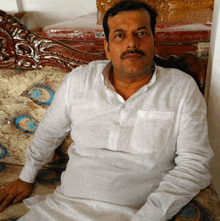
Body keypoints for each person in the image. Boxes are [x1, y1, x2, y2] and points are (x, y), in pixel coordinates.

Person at [0, 1, 214, 220]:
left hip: (135, 214)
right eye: (120, 35)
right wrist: (26, 177)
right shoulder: (79, 81)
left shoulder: (181, 89)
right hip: (60, 209)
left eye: (141, 33)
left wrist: (149, 216)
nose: (132, 43)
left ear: (154, 42)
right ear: (107, 48)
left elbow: (195, 165)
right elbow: (48, 132)